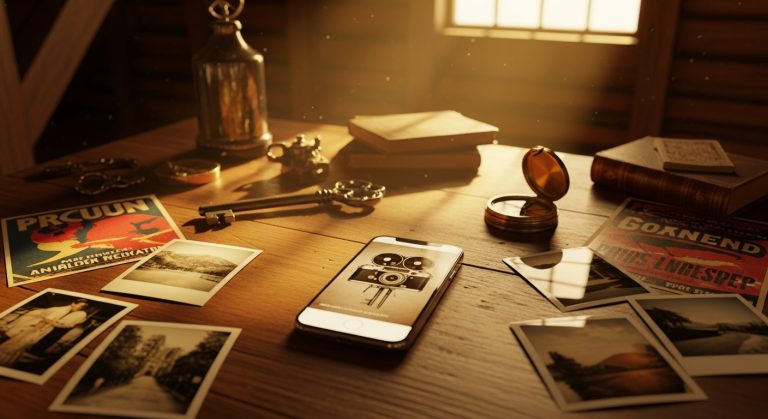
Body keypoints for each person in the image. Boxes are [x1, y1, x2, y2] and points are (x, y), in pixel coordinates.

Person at [0, 299, 89, 366]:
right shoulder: (61, 310)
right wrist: (55, 323)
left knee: (22, 345)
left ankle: (8, 360)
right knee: (16, 342)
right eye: (80, 306)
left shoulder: (75, 314)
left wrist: (58, 324)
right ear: (73, 303)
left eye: (83, 308)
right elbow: (48, 319)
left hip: (39, 328)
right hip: (34, 325)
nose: (80, 308)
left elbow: (60, 323)